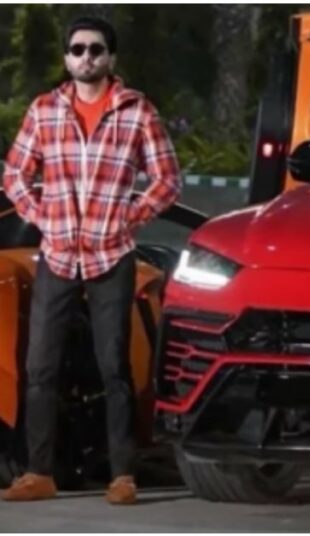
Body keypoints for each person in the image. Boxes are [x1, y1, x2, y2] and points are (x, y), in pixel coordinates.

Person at [0, 16, 181, 505]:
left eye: (96, 49)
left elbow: (166, 179)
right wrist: (40, 215)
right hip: (56, 255)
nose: (86, 58)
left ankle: (122, 475)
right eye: (77, 50)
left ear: (111, 57)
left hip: (111, 255)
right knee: (39, 368)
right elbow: (15, 172)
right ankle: (39, 473)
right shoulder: (44, 111)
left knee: (113, 367)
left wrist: (130, 217)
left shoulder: (136, 111)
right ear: (66, 58)